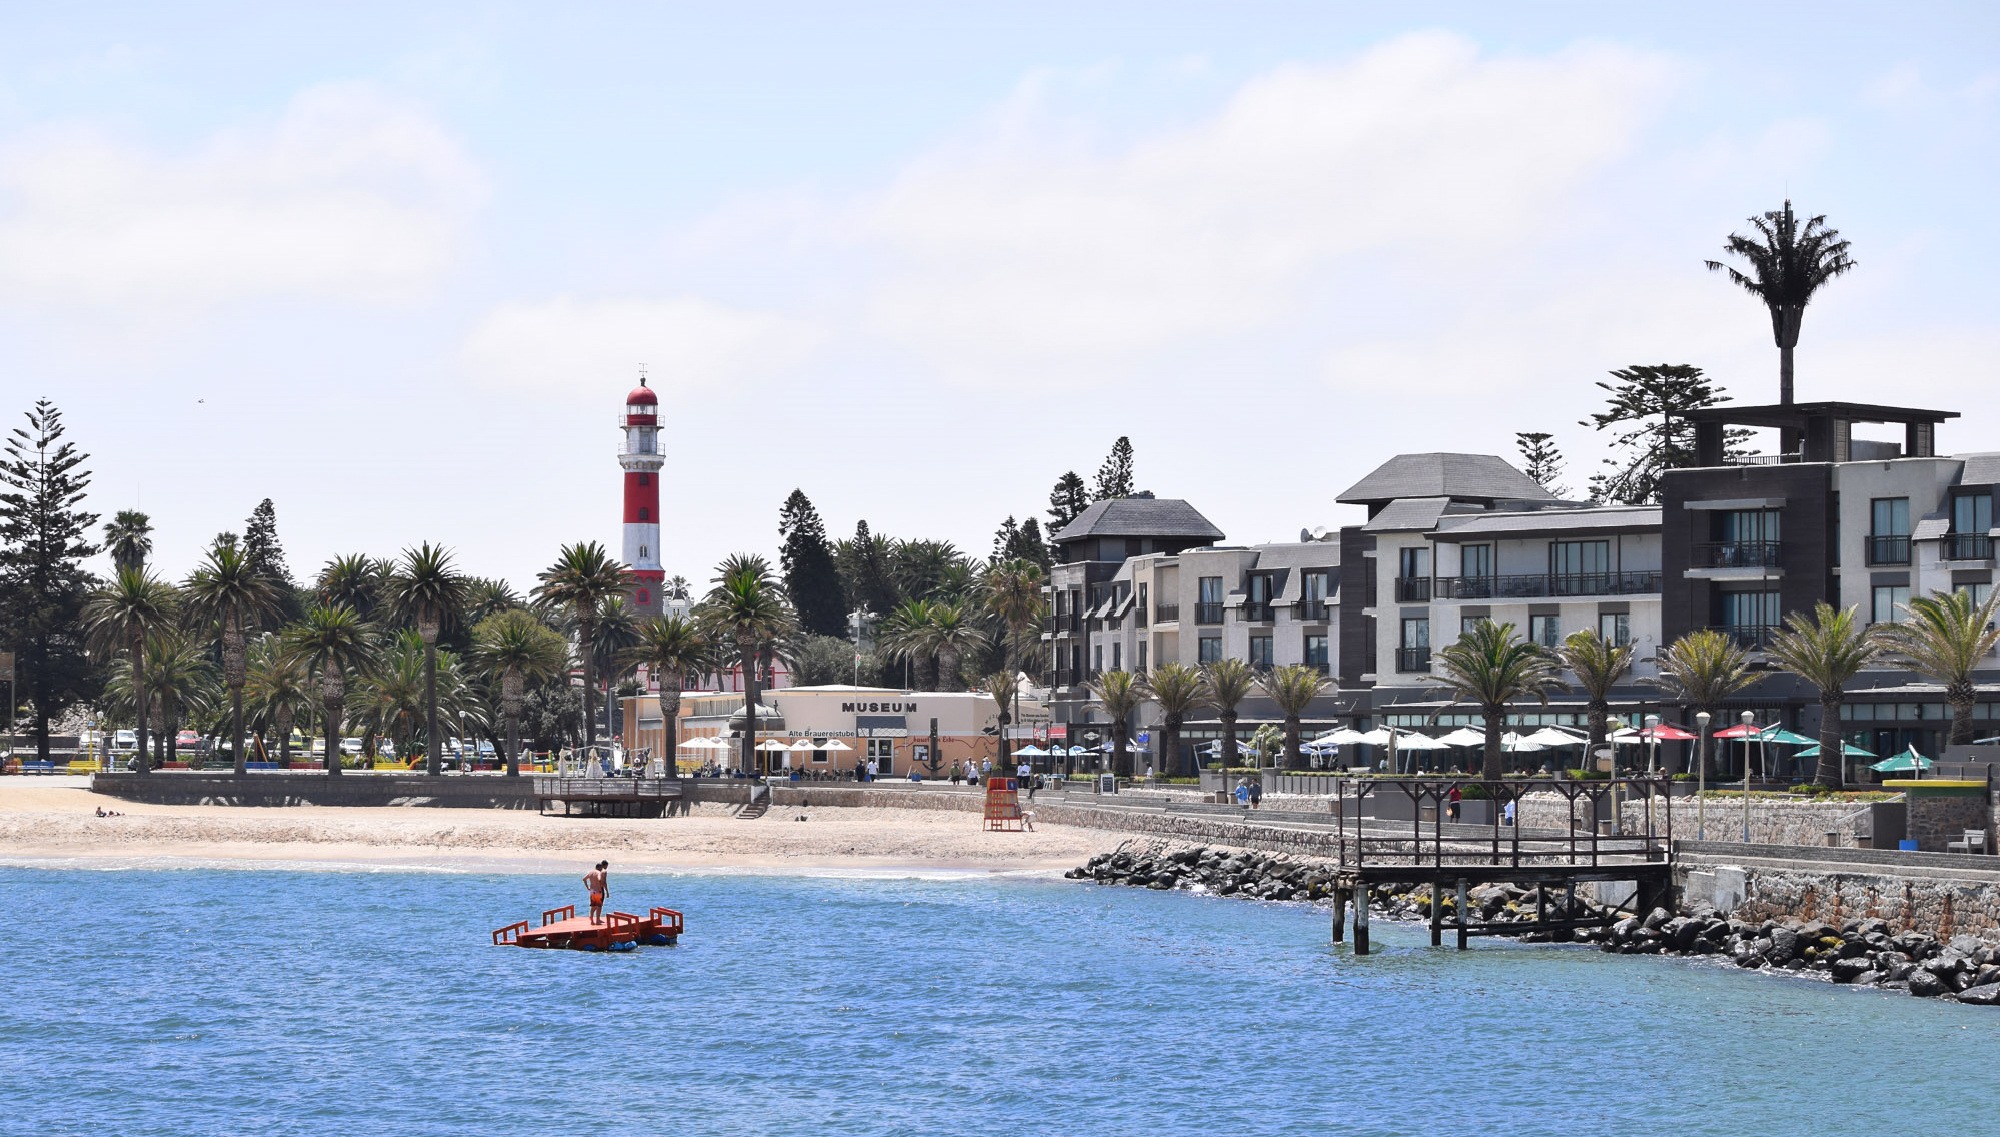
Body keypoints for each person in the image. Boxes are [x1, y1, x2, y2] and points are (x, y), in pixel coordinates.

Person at [583, 861, 609, 925]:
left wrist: (587, 887)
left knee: (593, 906)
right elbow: (599, 879)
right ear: (599, 867)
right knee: (599, 906)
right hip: (598, 891)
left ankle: (592, 921)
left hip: (592, 891)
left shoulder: (590, 872)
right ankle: (597, 921)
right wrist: (602, 885)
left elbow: (584, 879)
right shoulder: (598, 873)